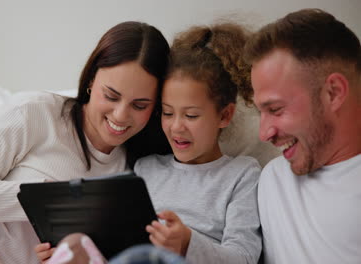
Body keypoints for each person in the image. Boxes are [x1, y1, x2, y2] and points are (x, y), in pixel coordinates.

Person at [0, 21, 170, 263]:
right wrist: (48, 198)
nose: (120, 115)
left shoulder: (138, 172)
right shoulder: (36, 112)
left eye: (140, 105)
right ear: (91, 80)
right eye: (110, 96)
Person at [36, 22, 262, 264]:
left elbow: (245, 257)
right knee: (75, 244)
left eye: (191, 115)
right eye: (167, 113)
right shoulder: (145, 168)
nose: (176, 127)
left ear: (225, 115)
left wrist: (187, 243)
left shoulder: (242, 175)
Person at [244, 8, 361, 263]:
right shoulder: (272, 181)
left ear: (333, 93)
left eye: (275, 109)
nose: (264, 134)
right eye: (260, 112)